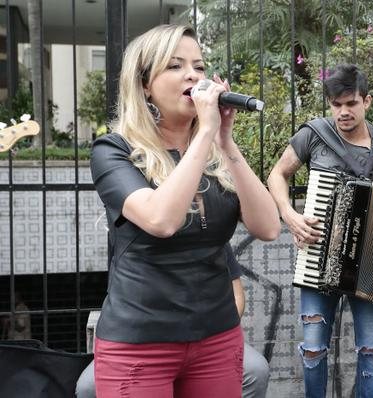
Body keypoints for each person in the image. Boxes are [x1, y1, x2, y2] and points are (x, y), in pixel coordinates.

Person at [89, 24, 280, 398]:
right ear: (144, 84)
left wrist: (224, 141)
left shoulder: (215, 148)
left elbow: (268, 226)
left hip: (217, 338)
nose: (193, 75)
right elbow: (162, 220)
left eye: (199, 66)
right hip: (141, 342)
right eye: (175, 66)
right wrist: (206, 134)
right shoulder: (113, 151)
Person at [266, 64, 373, 398]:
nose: (343, 112)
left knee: (371, 351)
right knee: (313, 349)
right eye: (336, 104)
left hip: (368, 271)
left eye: (351, 103)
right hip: (316, 257)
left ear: (367, 101)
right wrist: (289, 214)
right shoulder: (314, 135)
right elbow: (276, 175)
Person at [75, 245, 270, 398]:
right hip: (143, 343)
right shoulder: (132, 232)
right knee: (87, 387)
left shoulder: (209, 228)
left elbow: (237, 296)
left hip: (208, 337)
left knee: (255, 370)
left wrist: (214, 333)